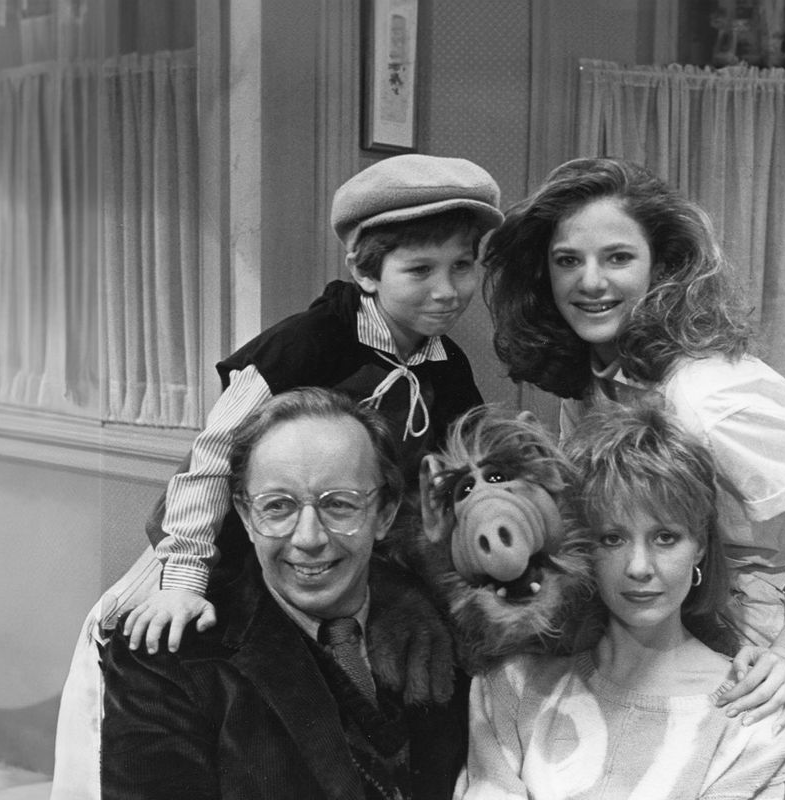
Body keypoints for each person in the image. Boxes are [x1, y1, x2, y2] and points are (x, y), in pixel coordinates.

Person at [481, 157, 785, 797]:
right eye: (567, 261)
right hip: (669, 616)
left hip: (759, 650)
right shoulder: (595, 376)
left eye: (617, 258)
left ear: (662, 268)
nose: (589, 282)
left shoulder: (705, 399)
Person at [123, 154, 503, 655]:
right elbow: (212, 457)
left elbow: (464, 468)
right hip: (236, 558)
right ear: (366, 272)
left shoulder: (447, 364)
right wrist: (185, 580)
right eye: (419, 270)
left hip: (346, 573)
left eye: (462, 267)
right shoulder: (304, 343)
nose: (447, 291)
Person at [101, 387, 466, 800]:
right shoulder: (168, 657)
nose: (308, 538)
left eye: (339, 505)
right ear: (244, 513)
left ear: (384, 513)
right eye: (278, 506)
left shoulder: (447, 624)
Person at [456, 402, 785, 799]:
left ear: (701, 547)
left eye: (665, 537)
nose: (639, 567)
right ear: (582, 547)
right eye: (612, 539)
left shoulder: (752, 716)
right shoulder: (513, 682)